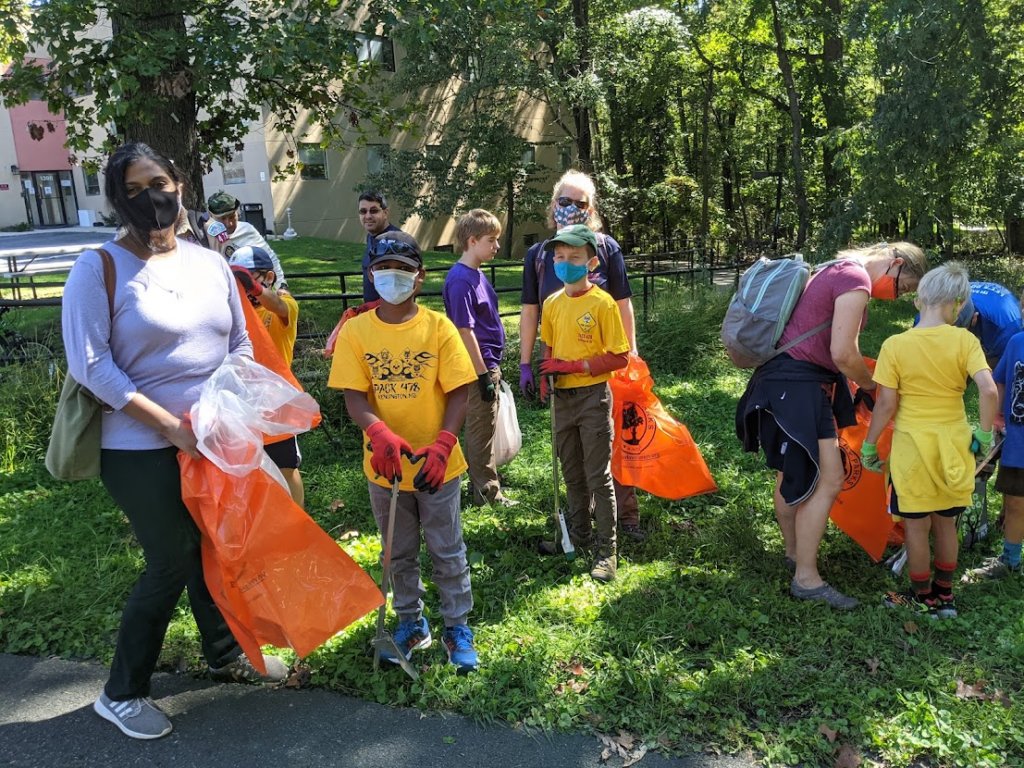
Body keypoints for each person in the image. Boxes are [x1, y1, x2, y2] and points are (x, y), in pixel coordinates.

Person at [62, 142, 287, 741]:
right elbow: (91, 364)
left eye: (157, 182)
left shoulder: (208, 262)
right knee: (171, 560)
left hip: (211, 432)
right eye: (133, 190)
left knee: (214, 545)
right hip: (138, 444)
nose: (150, 198)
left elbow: (240, 342)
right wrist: (170, 427)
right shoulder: (98, 267)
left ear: (180, 183)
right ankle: (121, 692)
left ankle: (223, 651)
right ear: (118, 200)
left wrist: (221, 412)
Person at [736, 241, 927, 610]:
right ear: (896, 263)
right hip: (798, 386)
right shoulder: (855, 278)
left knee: (792, 474)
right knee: (828, 479)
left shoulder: (833, 269)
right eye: (903, 287)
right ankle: (806, 579)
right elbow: (843, 352)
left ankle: (795, 555)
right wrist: (872, 385)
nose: (896, 296)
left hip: (786, 383)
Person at [327, 230, 480, 673]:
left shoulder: (438, 328)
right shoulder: (356, 330)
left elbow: (460, 391)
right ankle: (411, 622)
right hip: (386, 470)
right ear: (371, 275)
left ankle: (456, 625)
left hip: (438, 467)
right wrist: (378, 434)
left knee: (447, 548)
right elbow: (355, 396)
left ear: (419, 277)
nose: (394, 277)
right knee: (398, 552)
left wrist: (444, 443)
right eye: (384, 269)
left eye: (404, 270)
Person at [861, 262, 997, 617]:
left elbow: (887, 403)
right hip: (954, 444)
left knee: (917, 529)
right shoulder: (966, 340)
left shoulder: (896, 345)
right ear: (956, 303)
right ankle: (946, 597)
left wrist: (871, 444)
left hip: (913, 449)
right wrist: (983, 433)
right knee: (946, 524)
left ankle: (921, 598)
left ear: (920, 300)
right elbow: (987, 389)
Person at [518, 170, 644, 542]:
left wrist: (630, 355)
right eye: (565, 200)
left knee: (611, 439)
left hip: (602, 365)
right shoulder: (540, 254)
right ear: (553, 204)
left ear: (591, 209)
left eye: (580, 202)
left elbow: (622, 305)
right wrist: (528, 364)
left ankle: (626, 517)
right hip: (560, 367)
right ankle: (581, 524)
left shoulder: (604, 248)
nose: (571, 208)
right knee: (572, 451)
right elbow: (530, 310)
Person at [539, 225, 631, 582]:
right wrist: (548, 374)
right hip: (562, 398)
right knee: (571, 472)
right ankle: (577, 535)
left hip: (593, 397)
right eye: (559, 257)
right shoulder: (551, 303)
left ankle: (607, 551)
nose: (565, 264)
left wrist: (575, 367)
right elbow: (549, 344)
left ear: (591, 263)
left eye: (574, 258)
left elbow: (619, 357)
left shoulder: (603, 304)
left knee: (597, 475)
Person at [442, 209, 514, 507]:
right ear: (472, 241)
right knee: (480, 430)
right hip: (477, 366)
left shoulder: (477, 274)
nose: (497, 246)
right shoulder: (461, 280)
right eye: (491, 240)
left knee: (486, 425)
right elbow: (464, 330)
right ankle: (486, 493)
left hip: (488, 362)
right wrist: (483, 373)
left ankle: (483, 482)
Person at [228, 245, 305, 507]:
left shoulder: (284, 305)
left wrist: (255, 288)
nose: (242, 287)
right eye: (237, 281)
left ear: (268, 277)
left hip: (277, 400)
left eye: (250, 277)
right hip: (240, 399)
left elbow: (280, 307)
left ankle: (298, 525)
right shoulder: (232, 311)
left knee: (285, 464)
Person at [962, 312, 1024, 583]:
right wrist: (996, 416)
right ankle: (1010, 560)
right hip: (1018, 445)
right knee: (1015, 503)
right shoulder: (1016, 342)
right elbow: (999, 380)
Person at [206, 191, 287, 289]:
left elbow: (270, 258)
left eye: (232, 216)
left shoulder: (247, 230)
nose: (229, 224)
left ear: (237, 213)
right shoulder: (205, 237)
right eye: (222, 219)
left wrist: (282, 286)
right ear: (211, 216)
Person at [358, 191, 401, 302]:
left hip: (390, 314)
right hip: (372, 313)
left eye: (374, 211)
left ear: (385, 213)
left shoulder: (396, 241)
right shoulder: (371, 237)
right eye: (363, 211)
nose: (367, 216)